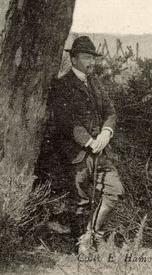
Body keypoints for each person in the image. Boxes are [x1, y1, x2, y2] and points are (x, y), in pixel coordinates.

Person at [49, 36, 124, 255]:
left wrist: (106, 133)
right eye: (86, 57)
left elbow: (110, 112)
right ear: (73, 59)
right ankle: (82, 242)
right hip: (78, 154)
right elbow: (66, 121)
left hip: (101, 150)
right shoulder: (62, 85)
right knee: (80, 200)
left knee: (115, 191)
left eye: (92, 57)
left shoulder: (95, 83)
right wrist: (90, 142)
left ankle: (95, 234)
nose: (91, 62)